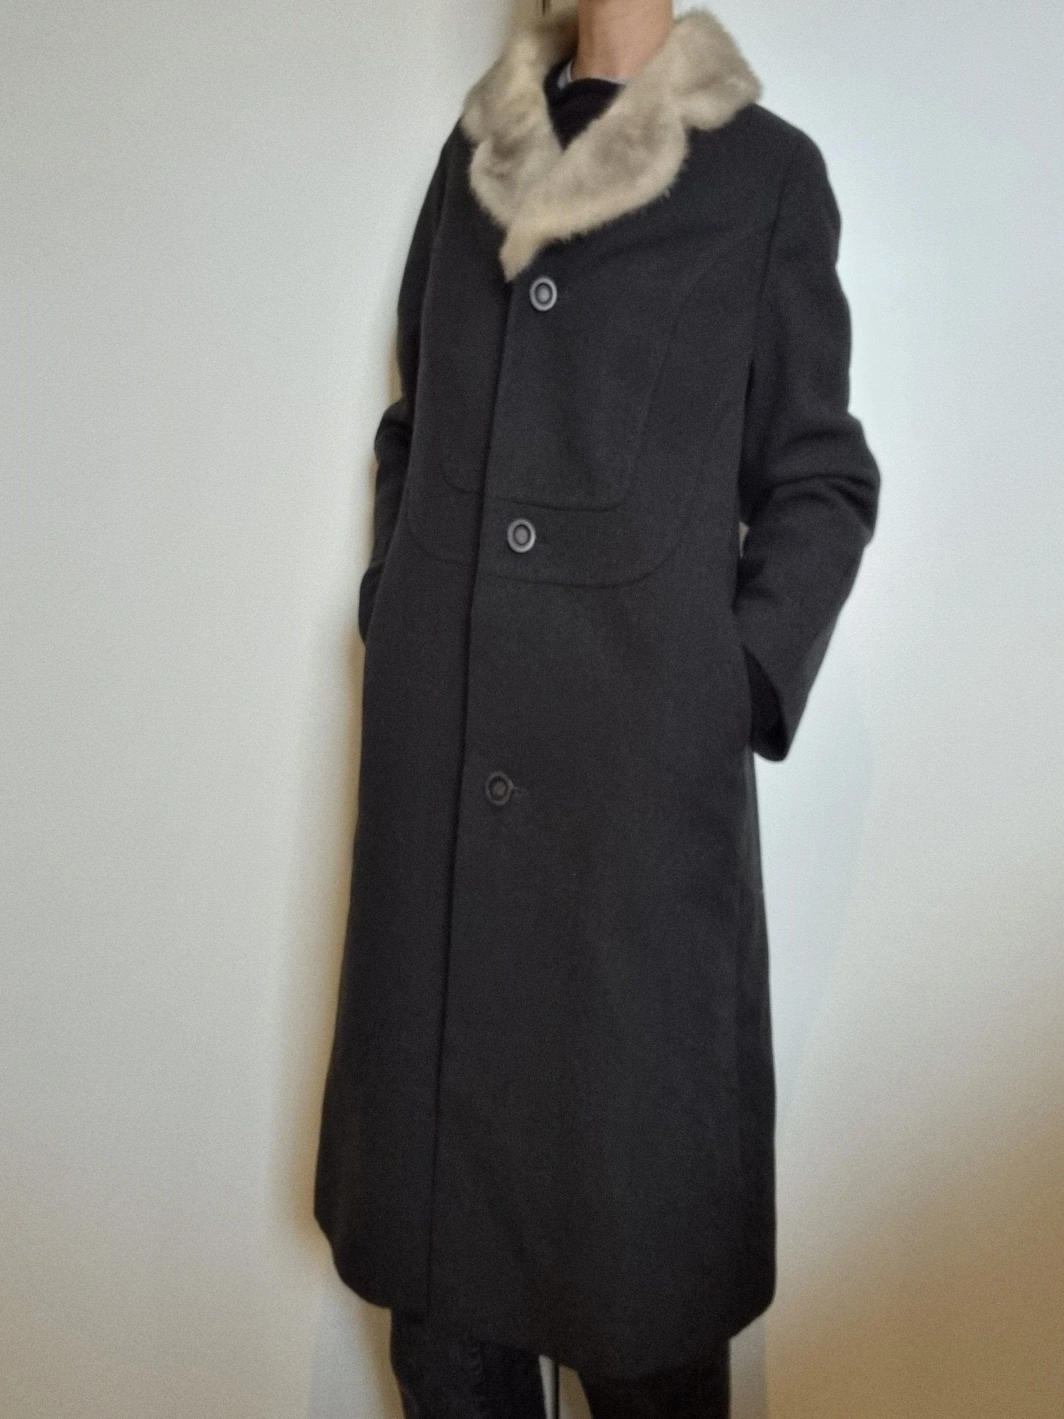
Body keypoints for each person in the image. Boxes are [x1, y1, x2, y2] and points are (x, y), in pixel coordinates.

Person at [314, 2, 881, 1415]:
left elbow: (822, 477)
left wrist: (723, 685)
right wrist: (400, 605)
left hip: (632, 857)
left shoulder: (764, 177)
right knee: (448, 1340)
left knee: (645, 1318)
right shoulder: (474, 158)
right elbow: (413, 422)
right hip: (445, 828)